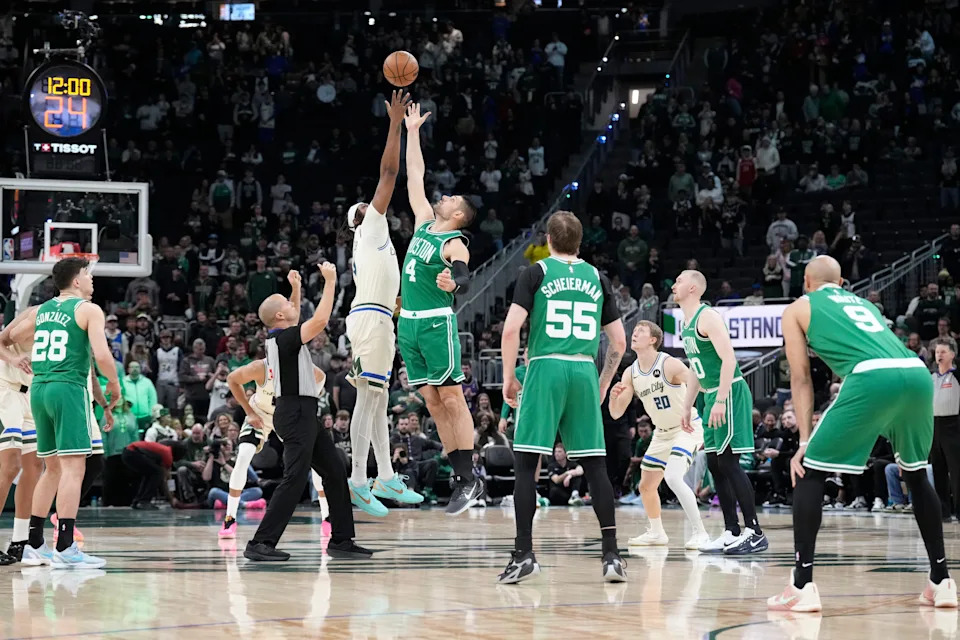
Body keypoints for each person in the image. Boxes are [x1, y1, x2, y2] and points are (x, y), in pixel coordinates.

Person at [768, 255, 957, 612]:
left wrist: (805, 441)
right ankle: (941, 581)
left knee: (809, 469)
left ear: (806, 280)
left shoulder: (797, 307)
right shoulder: (864, 304)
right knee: (916, 475)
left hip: (871, 376)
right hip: (916, 372)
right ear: (841, 284)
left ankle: (801, 586)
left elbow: (801, 377)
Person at [499, 210, 627, 584]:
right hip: (584, 371)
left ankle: (524, 554)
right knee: (595, 467)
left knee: (525, 465)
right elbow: (618, 342)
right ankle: (612, 556)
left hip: (546, 368)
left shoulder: (535, 273)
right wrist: (602, 382)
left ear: (549, 242)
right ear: (580, 242)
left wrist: (509, 378)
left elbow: (510, 331)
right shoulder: (597, 277)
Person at [243, 265, 371, 561]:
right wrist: (330, 282)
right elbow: (321, 319)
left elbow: (296, 316)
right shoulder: (286, 340)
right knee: (295, 477)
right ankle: (260, 542)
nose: (292, 306)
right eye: (286, 303)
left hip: (302, 411)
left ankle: (341, 540)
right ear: (278, 316)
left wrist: (296, 290)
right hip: (294, 411)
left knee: (335, 471)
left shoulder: (282, 336)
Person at [341, 90, 423, 516]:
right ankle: (357, 480)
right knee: (367, 401)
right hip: (369, 322)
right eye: (366, 206)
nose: (373, 205)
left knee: (376, 400)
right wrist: (394, 125)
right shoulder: (370, 228)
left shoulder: (381, 246)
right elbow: (389, 173)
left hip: (378, 321)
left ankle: (385, 475)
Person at [399, 102, 483, 514]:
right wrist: (411, 130)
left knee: (451, 398)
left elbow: (465, 275)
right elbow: (415, 175)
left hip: (434, 324)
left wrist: (456, 283)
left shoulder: (452, 242)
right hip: (408, 326)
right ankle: (460, 478)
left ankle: (470, 480)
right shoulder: (422, 223)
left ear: (458, 215)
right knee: (431, 402)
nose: (443, 195)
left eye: (451, 197)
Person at [12, 258, 121, 569]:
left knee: (53, 469)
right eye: (87, 274)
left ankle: (34, 543)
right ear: (76, 281)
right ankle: (65, 546)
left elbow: (11, 338)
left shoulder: (42, 310)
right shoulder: (89, 309)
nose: (91, 279)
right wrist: (114, 384)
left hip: (39, 389)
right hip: (67, 387)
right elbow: (101, 354)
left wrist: (15, 358)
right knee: (75, 470)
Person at [674, 270, 768, 555]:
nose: (674, 285)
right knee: (715, 463)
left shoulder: (707, 316)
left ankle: (755, 531)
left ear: (692, 288)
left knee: (728, 462)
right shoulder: (686, 324)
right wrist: (688, 405)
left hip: (728, 393)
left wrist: (720, 399)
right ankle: (731, 531)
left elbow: (729, 359)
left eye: (678, 281)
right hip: (710, 395)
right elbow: (695, 370)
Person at [608, 321, 710, 550]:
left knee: (673, 477)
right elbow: (616, 414)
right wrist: (614, 398)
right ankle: (656, 532)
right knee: (646, 485)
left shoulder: (668, 363)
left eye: (640, 331)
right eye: (633, 331)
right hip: (662, 433)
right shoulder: (630, 373)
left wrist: (715, 397)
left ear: (653, 339)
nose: (634, 334)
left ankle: (701, 533)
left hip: (686, 427)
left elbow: (698, 381)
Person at [219, 357, 329, 539]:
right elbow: (232, 379)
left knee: (313, 461)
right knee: (244, 455)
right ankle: (230, 518)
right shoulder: (261, 367)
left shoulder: (302, 366)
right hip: (260, 413)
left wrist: (307, 402)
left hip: (286, 416)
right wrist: (249, 412)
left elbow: (321, 377)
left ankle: (327, 516)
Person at [0, 307, 43, 564]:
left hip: (29, 394)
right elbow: (2, 339)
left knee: (34, 466)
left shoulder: (75, 322)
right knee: (9, 467)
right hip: (6, 392)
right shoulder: (38, 316)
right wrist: (12, 359)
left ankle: (19, 542)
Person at [931, 337, 960, 521]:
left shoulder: (957, 375)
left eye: (943, 352)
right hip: (934, 426)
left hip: (954, 426)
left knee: (956, 472)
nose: (939, 355)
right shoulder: (931, 377)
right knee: (938, 470)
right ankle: (943, 512)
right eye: (936, 352)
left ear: (952, 354)